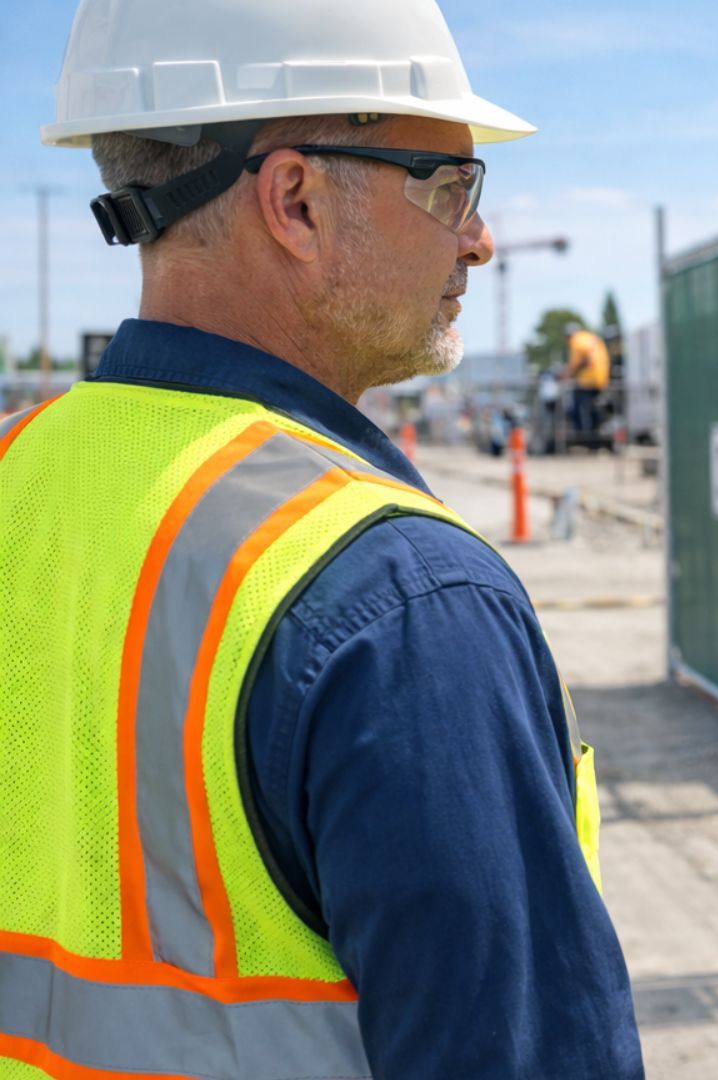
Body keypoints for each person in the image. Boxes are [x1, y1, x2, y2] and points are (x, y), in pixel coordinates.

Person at [0, 1, 644, 1077]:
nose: (479, 238)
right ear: (294, 198)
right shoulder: (398, 598)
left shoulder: (21, 471)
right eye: (449, 186)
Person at [562, 322, 611, 448]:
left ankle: (582, 439)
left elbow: (582, 360)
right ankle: (596, 440)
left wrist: (568, 374)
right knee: (594, 410)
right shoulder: (590, 337)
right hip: (600, 379)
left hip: (587, 381)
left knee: (577, 409)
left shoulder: (576, 340)